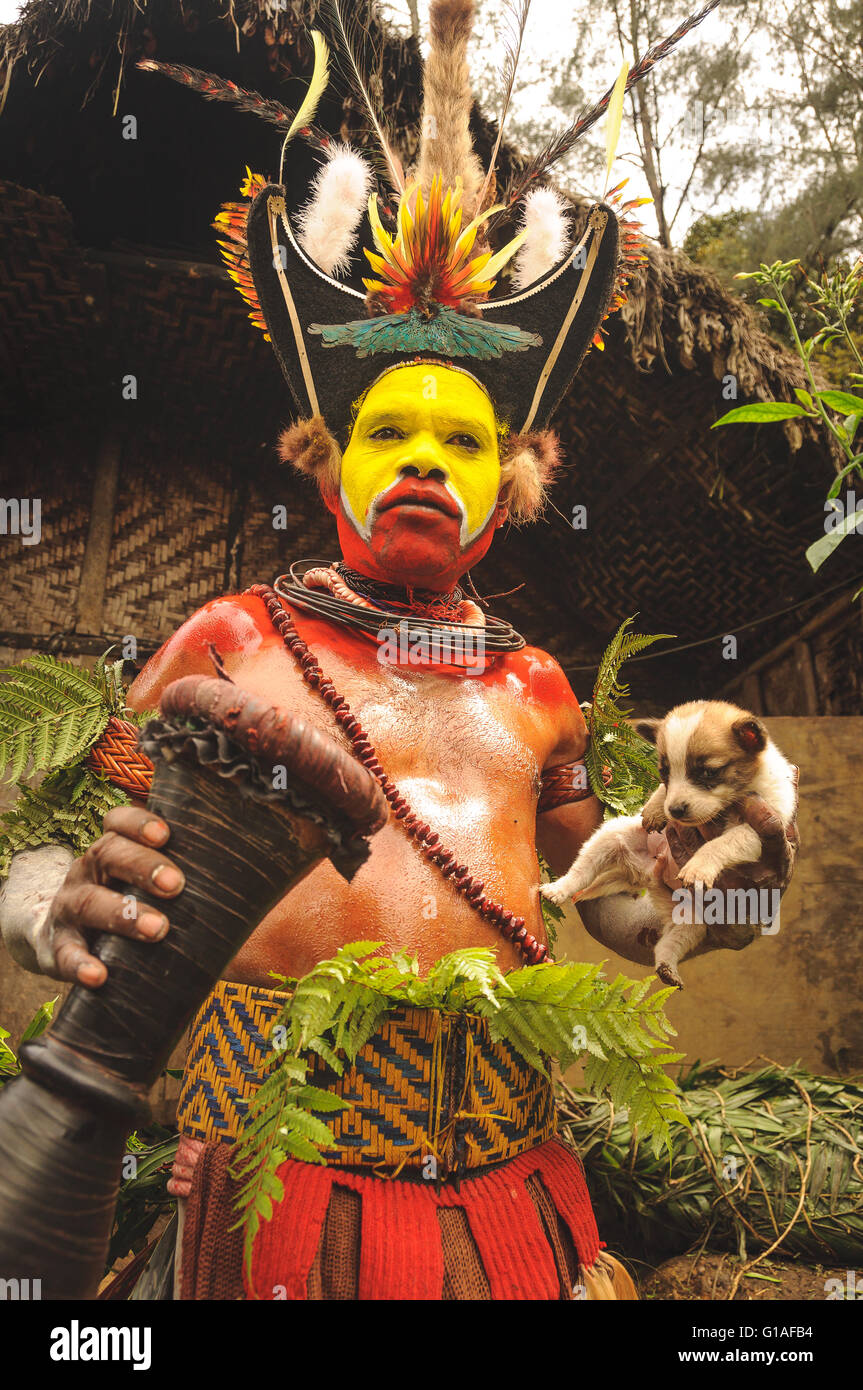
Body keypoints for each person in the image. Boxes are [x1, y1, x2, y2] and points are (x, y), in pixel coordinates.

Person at [0, 0, 795, 1300]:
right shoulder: (229, 640)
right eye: (390, 429)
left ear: (506, 493)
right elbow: (52, 850)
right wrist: (45, 910)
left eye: (463, 438)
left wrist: (719, 906)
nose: (425, 451)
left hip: (513, 1194)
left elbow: (607, 898)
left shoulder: (540, 688)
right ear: (329, 469)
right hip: (264, 1194)